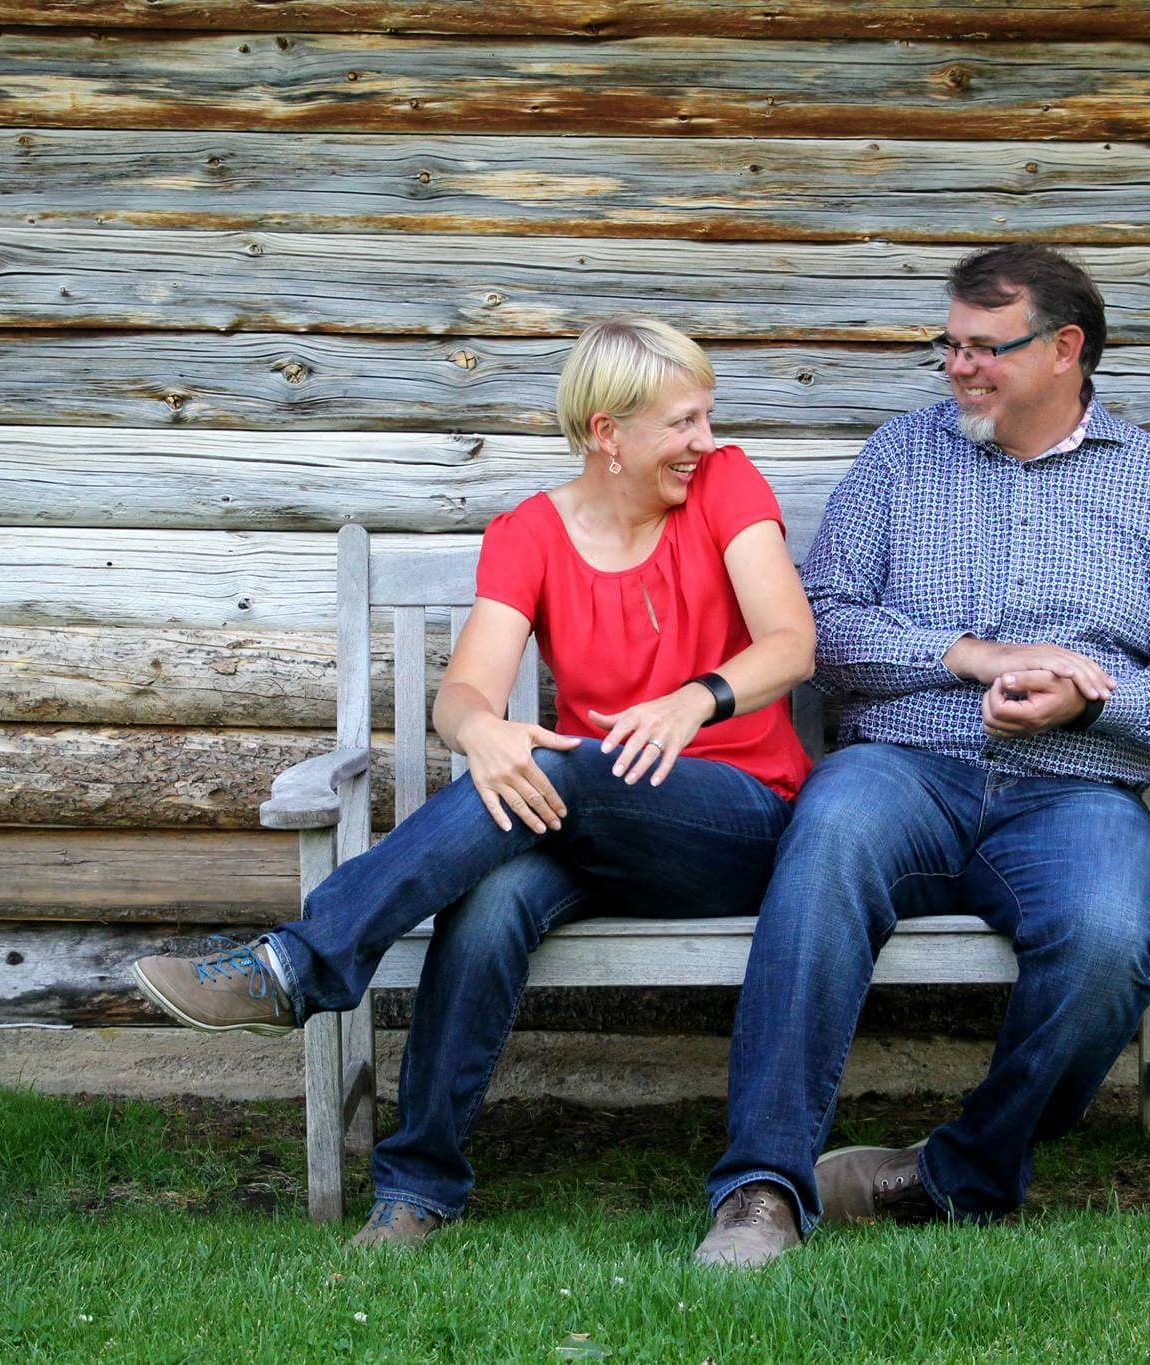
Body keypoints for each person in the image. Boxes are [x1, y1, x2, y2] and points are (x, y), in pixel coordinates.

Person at [132, 317, 815, 1248]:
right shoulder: (530, 533)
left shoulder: (724, 485)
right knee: (490, 900)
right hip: (585, 815)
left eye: (706, 418)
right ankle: (417, 1190)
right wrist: (482, 732)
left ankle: (300, 962)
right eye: (681, 423)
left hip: (736, 820)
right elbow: (461, 695)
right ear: (607, 433)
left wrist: (697, 701)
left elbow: (791, 643)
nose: (704, 441)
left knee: (562, 769)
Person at [692, 244, 1150, 1268]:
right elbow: (823, 626)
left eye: (984, 348)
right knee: (820, 857)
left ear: (1063, 350)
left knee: (1102, 942)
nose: (957, 367)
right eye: (947, 346)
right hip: (902, 767)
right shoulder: (902, 457)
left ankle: (957, 1171)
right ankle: (760, 1191)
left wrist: (1086, 703)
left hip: (1074, 791)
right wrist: (965, 656)